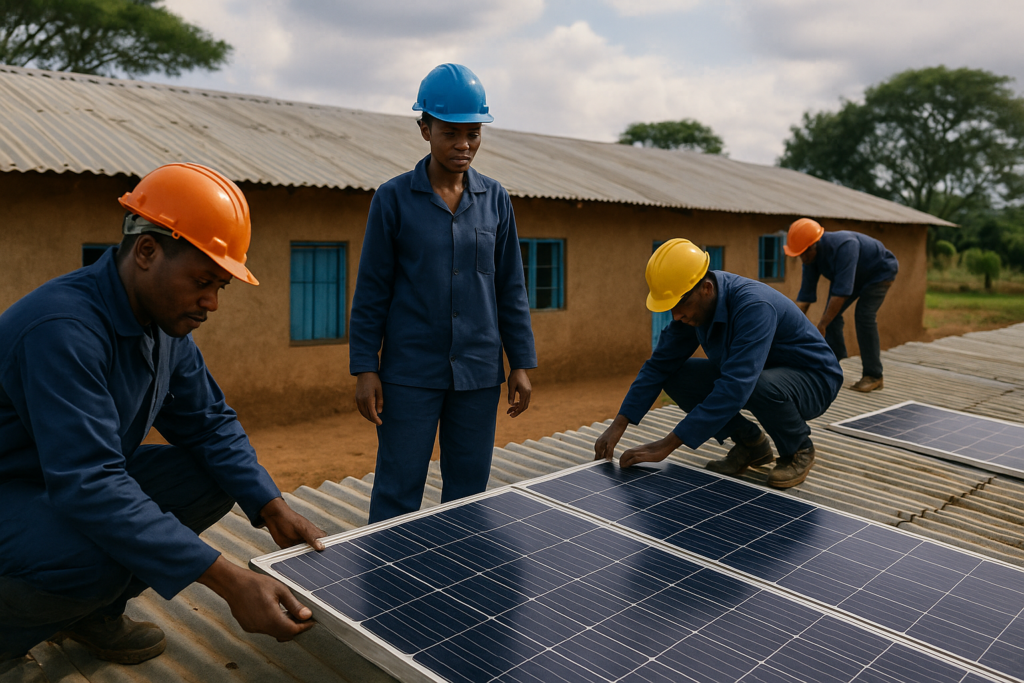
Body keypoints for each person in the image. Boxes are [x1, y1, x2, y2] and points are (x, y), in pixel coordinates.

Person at [0, 163, 326, 671]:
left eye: (220, 286)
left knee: (213, 478)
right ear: (147, 251)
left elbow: (209, 423)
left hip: (59, 483)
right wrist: (229, 582)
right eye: (202, 281)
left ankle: (90, 614)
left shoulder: (163, 326)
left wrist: (270, 505)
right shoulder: (62, 329)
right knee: (95, 552)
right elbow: (91, 485)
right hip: (14, 490)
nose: (211, 302)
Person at [350, 64, 537, 525]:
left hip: (478, 373)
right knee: (397, 487)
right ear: (425, 130)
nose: (464, 145)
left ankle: (458, 570)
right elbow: (372, 289)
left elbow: (510, 287)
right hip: (409, 374)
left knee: (468, 493)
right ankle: (388, 568)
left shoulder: (496, 199)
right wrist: (365, 368)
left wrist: (521, 363)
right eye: (450, 133)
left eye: (473, 133)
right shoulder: (393, 199)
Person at [595, 239, 843, 488]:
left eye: (680, 304)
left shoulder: (754, 307)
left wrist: (666, 445)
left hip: (815, 380)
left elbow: (737, 386)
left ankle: (799, 449)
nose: (676, 315)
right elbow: (659, 365)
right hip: (763, 375)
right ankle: (750, 444)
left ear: (706, 288)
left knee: (752, 384)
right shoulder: (697, 307)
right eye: (671, 307)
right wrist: (619, 424)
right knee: (676, 375)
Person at [785, 218, 898, 393]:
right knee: (831, 317)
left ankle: (874, 375)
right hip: (852, 277)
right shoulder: (810, 259)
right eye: (798, 254)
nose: (802, 258)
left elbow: (841, 293)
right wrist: (790, 328)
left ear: (814, 245)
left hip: (878, 273)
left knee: (863, 316)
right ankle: (833, 365)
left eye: (803, 253)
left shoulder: (845, 246)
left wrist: (822, 325)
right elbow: (805, 297)